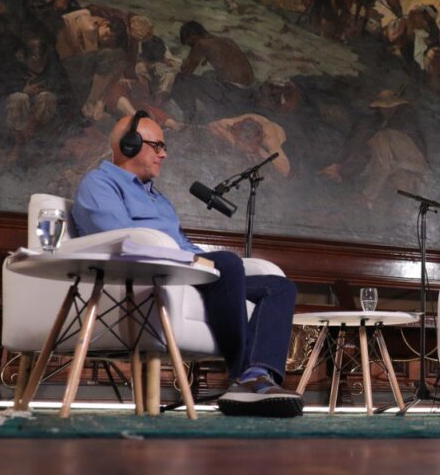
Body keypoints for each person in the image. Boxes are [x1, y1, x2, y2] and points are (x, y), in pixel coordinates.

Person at [72, 112, 304, 417]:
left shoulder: (157, 198)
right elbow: (121, 240)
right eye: (157, 146)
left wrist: (199, 259)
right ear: (130, 145)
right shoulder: (99, 184)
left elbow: (182, 244)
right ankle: (244, 377)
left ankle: (258, 374)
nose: (164, 154)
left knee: (280, 288)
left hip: (188, 275)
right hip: (152, 277)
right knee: (228, 264)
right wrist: (195, 260)